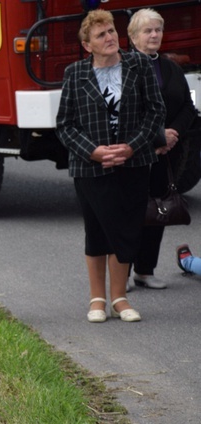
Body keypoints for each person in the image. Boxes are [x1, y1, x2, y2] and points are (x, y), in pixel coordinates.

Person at [56, 9, 165, 323]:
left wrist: (131, 147)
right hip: (90, 167)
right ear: (88, 45)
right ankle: (97, 300)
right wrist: (95, 151)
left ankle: (120, 298)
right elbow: (64, 125)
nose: (110, 38)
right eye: (101, 34)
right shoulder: (75, 73)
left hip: (134, 162)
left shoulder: (139, 65)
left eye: (112, 31)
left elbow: (155, 112)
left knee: (127, 230)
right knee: (97, 231)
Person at [127, 8, 199, 290]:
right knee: (131, 211)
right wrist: (156, 136)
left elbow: (187, 108)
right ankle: (124, 270)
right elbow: (124, 112)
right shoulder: (124, 69)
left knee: (157, 210)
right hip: (134, 153)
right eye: (148, 30)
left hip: (167, 152)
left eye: (158, 30)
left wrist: (173, 135)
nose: (154, 35)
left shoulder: (170, 67)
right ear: (133, 37)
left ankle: (145, 271)